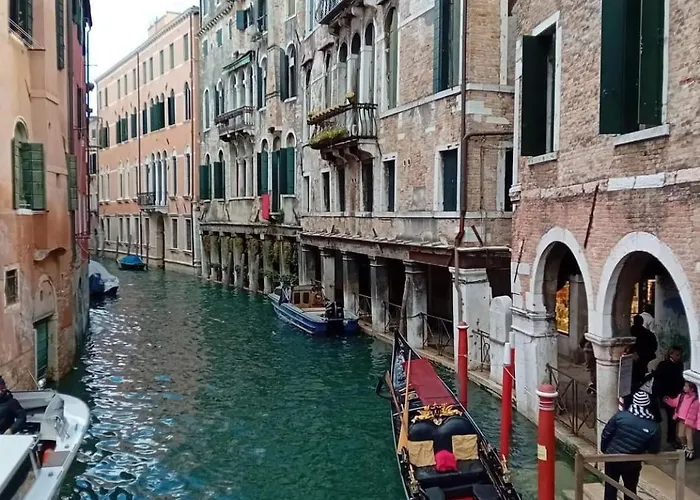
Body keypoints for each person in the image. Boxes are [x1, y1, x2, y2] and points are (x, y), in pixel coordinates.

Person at [600, 390, 661, 500]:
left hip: (612, 457)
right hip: (632, 462)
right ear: (648, 406)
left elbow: (606, 434)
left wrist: (605, 450)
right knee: (630, 489)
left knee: (610, 487)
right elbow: (654, 449)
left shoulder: (620, 416)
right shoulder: (653, 426)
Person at [652, 346, 685, 445]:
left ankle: (673, 437)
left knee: (675, 417)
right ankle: (671, 438)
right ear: (671, 354)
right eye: (676, 355)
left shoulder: (679, 364)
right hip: (668, 395)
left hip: (677, 394)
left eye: (679, 355)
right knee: (671, 418)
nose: (678, 357)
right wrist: (662, 395)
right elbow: (659, 381)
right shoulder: (664, 365)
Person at [664, 381, 699, 460]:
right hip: (681, 420)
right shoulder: (682, 396)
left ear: (692, 389)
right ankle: (685, 446)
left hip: (690, 422)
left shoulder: (695, 399)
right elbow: (674, 403)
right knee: (680, 435)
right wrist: (667, 400)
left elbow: (694, 412)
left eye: (686, 386)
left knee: (689, 437)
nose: (684, 388)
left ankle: (690, 451)